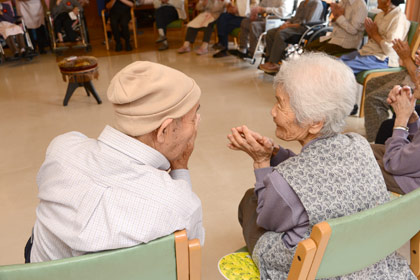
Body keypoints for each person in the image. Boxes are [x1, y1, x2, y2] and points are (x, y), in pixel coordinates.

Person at [228, 53, 416, 279]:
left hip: (314, 263)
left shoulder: (283, 181)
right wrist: (275, 153)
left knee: (251, 199)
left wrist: (261, 162)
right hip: (363, 252)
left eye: (280, 103)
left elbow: (268, 220)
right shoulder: (360, 144)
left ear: (316, 122)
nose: (273, 111)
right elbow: (314, 169)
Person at [27, 61, 205, 263]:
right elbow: (190, 256)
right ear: (164, 130)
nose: (196, 126)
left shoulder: (61, 149)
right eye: (193, 118)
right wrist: (180, 169)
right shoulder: (179, 204)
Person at [364, 40, 419, 142]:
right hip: (409, 73)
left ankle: (377, 141)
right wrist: (406, 57)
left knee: (373, 100)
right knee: (372, 83)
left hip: (414, 79)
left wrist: (406, 58)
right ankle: (375, 130)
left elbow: (417, 80)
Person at [371, 84, 420, 195]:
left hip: (413, 184)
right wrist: (412, 118)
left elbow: (393, 163)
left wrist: (401, 120)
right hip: (412, 165)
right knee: (362, 148)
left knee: (360, 165)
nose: (416, 80)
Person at [340, 0, 409, 74]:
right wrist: (370, 33)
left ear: (388, 2)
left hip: (382, 58)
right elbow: (373, 41)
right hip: (366, 52)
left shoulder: (399, 19)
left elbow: (390, 50)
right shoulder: (380, 15)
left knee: (340, 69)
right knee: (335, 63)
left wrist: (375, 34)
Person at [259, 0, 323, 74]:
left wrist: (289, 25)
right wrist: (287, 22)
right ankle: (269, 60)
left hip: (303, 29)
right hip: (293, 26)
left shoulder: (316, 3)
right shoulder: (302, 3)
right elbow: (295, 18)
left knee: (281, 34)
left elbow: (308, 22)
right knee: (270, 33)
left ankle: (275, 63)